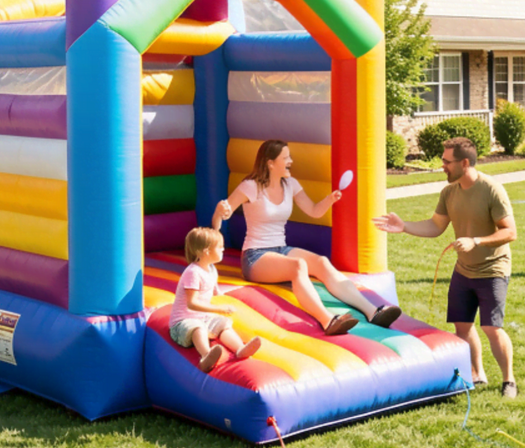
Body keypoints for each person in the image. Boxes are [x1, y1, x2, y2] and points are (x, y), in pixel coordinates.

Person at [373, 137, 519, 397]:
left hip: (492, 268)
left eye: (446, 161)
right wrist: (404, 225)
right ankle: (477, 374)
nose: (442, 166)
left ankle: (509, 381)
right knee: (462, 327)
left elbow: (510, 232)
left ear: (464, 163)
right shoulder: (449, 192)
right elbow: (436, 226)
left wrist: (476, 241)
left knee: (491, 328)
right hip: (464, 269)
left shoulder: (491, 189)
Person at [214, 139, 401, 336]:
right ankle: (328, 320)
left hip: (281, 249)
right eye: (285, 158)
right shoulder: (250, 186)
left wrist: (330, 199)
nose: (291, 161)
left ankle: (373, 312)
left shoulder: (290, 185)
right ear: (270, 163)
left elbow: (313, 211)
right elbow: (220, 217)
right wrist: (219, 212)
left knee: (321, 261)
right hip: (255, 256)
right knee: (298, 266)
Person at [169, 227, 262, 372]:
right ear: (206, 251)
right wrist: (220, 309)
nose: (223, 249)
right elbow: (192, 303)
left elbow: (216, 292)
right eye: (220, 247)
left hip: (203, 317)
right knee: (197, 328)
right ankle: (206, 356)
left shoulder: (211, 269)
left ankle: (240, 349)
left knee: (223, 323)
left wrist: (232, 301)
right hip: (182, 323)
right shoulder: (193, 272)